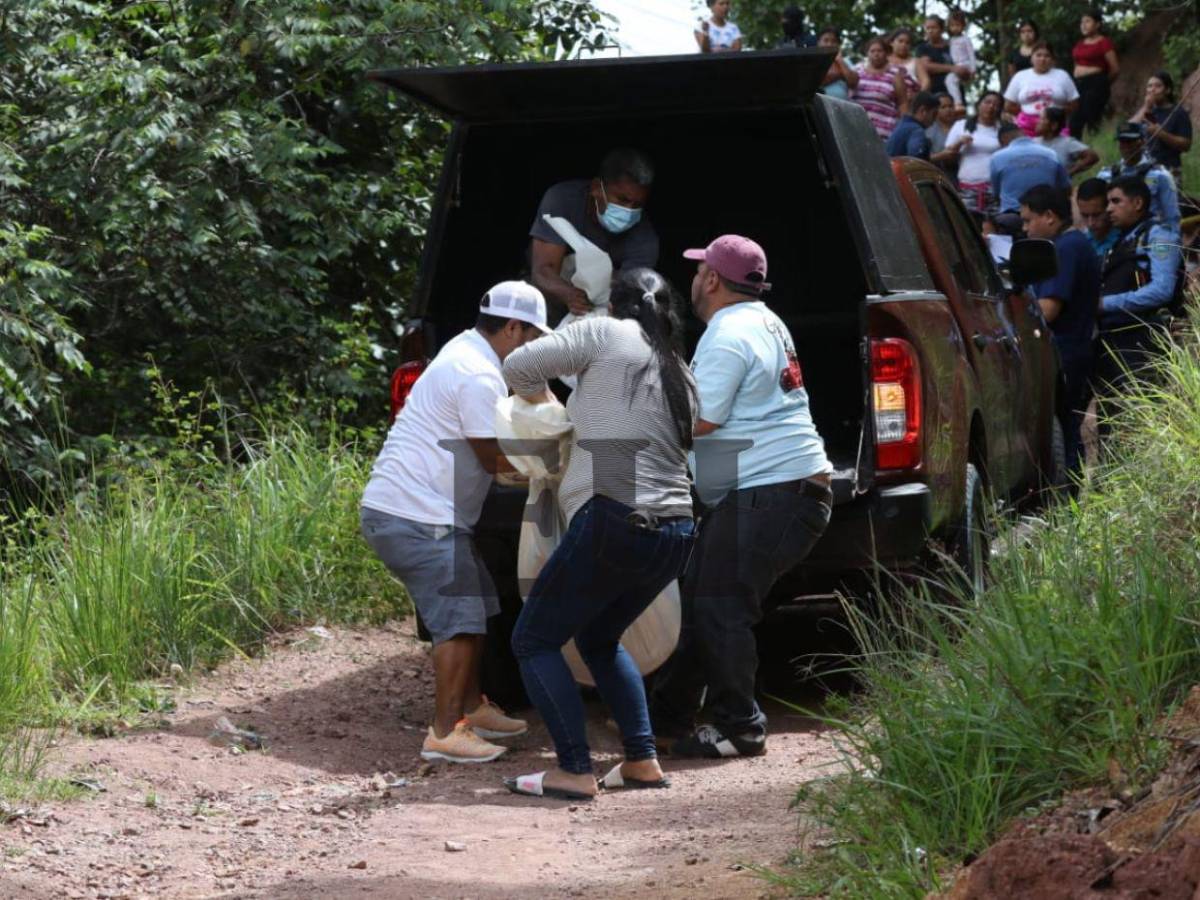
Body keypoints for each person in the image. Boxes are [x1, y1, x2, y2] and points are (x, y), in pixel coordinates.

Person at [501, 269, 698, 801]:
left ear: (615, 304)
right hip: (676, 531)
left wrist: (542, 410)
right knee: (596, 637)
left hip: (613, 517)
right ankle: (640, 760)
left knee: (533, 639)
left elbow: (520, 364)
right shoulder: (679, 369)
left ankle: (573, 768)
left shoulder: (604, 332)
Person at [650, 235, 833, 760]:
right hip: (783, 490)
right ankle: (667, 718)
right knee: (701, 595)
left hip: (773, 491)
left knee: (720, 604)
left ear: (710, 278)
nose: (694, 278)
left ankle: (740, 727)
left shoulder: (728, 334)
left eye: (699, 268)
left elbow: (700, 420)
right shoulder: (764, 319)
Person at [360, 282, 549, 764]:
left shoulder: (466, 349)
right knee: (459, 623)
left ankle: (473, 707)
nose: (531, 350)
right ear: (511, 328)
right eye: (530, 338)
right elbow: (491, 457)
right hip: (415, 517)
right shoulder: (477, 372)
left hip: (421, 514)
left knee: (480, 605)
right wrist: (553, 468)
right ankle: (445, 732)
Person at [1018, 185, 1101, 479]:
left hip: (1067, 351)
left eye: (1029, 220)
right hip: (1070, 349)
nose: (1025, 229)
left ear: (1050, 216)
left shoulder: (1065, 249)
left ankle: (1068, 498)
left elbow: (1049, 308)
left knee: (1066, 428)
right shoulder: (1071, 244)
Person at [529, 148, 659, 319]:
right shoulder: (562, 200)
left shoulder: (645, 241)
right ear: (596, 188)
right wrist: (569, 294)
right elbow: (543, 270)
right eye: (622, 200)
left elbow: (626, 295)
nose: (629, 211)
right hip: (551, 298)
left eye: (637, 205)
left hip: (603, 310)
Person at [1095, 177, 1181, 426]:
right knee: (1111, 419)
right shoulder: (1122, 238)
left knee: (1144, 414)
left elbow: (1162, 290)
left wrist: (1104, 304)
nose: (1109, 208)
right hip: (1114, 337)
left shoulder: (1159, 234)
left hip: (1143, 337)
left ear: (1138, 203)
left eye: (1116, 201)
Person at [1097, 122, 1181, 235]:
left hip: (1147, 236)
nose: (1126, 147)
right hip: (1114, 237)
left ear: (1142, 142)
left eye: (1130, 142)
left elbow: (1172, 216)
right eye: (1122, 142)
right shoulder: (1106, 175)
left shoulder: (1160, 175)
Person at [990, 121, 1070, 221]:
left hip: (1012, 216)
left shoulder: (997, 158)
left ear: (1003, 140)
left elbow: (996, 194)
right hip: (1045, 216)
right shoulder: (1051, 154)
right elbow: (1065, 187)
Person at [1004, 42, 1079, 137]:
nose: (1042, 59)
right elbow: (1008, 105)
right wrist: (1027, 114)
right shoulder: (1020, 76)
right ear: (1031, 58)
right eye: (1038, 55)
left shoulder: (1062, 75)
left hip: (1055, 127)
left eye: (1047, 56)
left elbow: (1074, 104)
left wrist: (1056, 115)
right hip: (1026, 128)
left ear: (1052, 59)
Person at [945, 91, 1004, 213]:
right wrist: (960, 142)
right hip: (967, 188)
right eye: (987, 102)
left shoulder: (1002, 129)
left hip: (993, 189)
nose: (991, 107)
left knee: (994, 227)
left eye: (996, 104)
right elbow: (948, 155)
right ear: (979, 104)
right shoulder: (961, 125)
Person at [1130, 71, 1194, 181]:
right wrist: (1146, 107)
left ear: (1168, 90)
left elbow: (1186, 145)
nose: (1152, 90)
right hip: (1143, 167)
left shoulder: (1178, 113)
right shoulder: (1147, 111)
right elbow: (1128, 129)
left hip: (1169, 169)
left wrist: (1160, 133)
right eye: (1149, 86)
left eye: (1158, 86)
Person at [1070, 9, 1119, 139]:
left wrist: (1102, 84)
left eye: (1087, 21)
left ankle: (1096, 149)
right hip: (1079, 85)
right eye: (1082, 22)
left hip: (1096, 85)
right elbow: (1077, 64)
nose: (1083, 25)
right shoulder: (1080, 44)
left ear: (1097, 24)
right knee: (1074, 121)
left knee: (1090, 118)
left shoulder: (1104, 42)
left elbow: (1115, 69)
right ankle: (1076, 152)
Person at [854, 36, 907, 140]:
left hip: (883, 134)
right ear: (867, 53)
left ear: (886, 53)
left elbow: (903, 103)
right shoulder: (857, 70)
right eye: (872, 51)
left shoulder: (895, 74)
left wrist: (902, 130)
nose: (876, 54)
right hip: (856, 130)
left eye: (880, 51)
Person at [1034, 106, 1099, 175]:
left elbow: (1092, 156)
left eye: (1042, 119)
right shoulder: (1033, 143)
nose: (1037, 121)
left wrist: (1071, 172)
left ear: (1054, 125)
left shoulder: (1067, 143)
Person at [917, 16, 968, 97]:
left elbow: (963, 66)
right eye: (927, 28)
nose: (930, 31)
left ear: (942, 29)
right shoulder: (923, 48)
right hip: (934, 94)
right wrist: (952, 68)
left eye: (934, 28)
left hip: (956, 92)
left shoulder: (953, 45)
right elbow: (926, 66)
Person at [1077, 177, 1121, 260]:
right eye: (1085, 216)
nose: (1090, 223)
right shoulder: (1080, 242)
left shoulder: (1126, 240)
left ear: (1109, 208)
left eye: (1096, 215)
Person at [887, 91, 939, 159]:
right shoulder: (916, 130)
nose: (934, 120)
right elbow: (916, 157)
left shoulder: (902, 125)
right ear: (923, 111)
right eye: (934, 114)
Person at [943, 8, 977, 110]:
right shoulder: (950, 41)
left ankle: (957, 103)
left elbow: (971, 54)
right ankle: (957, 102)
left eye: (958, 25)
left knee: (950, 79)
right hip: (956, 65)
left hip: (965, 64)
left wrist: (973, 69)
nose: (955, 28)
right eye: (952, 25)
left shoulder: (965, 39)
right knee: (951, 80)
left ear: (963, 26)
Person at [817, 27, 859, 100]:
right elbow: (812, 84)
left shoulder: (845, 61)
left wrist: (840, 60)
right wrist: (840, 74)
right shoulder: (812, 61)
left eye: (834, 41)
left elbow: (853, 83)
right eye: (825, 40)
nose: (829, 44)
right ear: (818, 42)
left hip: (841, 108)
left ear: (838, 44)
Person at [927, 92, 960, 173]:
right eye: (943, 107)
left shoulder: (961, 126)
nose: (948, 110)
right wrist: (941, 156)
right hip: (938, 174)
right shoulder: (928, 131)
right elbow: (923, 158)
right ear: (935, 110)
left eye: (950, 106)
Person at [888, 27, 922, 102]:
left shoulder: (916, 61)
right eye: (900, 41)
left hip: (911, 99)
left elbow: (926, 82)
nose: (904, 45)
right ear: (891, 42)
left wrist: (917, 96)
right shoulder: (884, 60)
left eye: (907, 43)